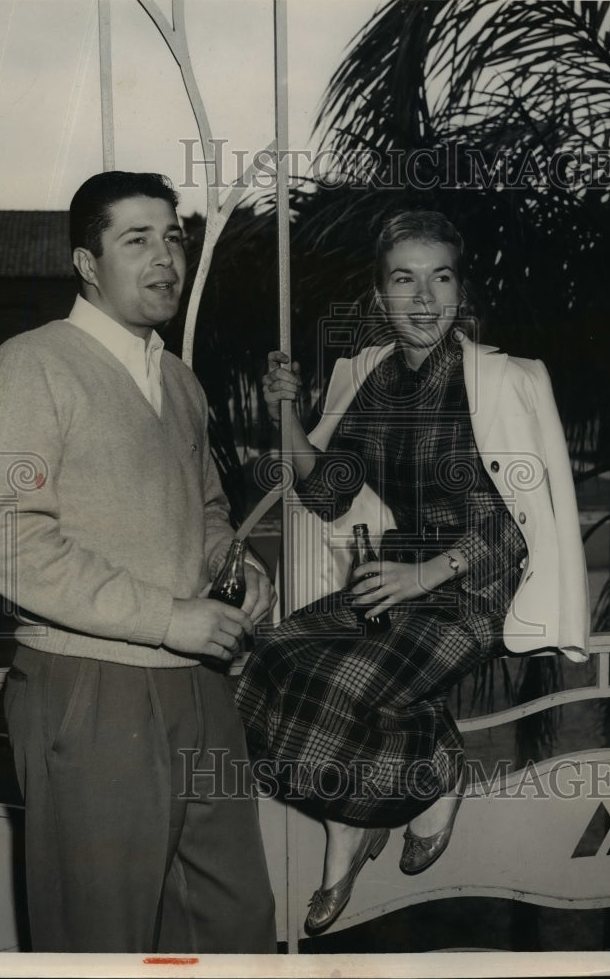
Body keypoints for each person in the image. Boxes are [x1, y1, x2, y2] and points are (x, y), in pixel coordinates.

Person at [235, 209, 589, 935]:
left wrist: (428, 574)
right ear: (378, 296)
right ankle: (401, 792)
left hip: (476, 589)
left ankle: (353, 820)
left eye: (440, 278)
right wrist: (286, 420)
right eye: (404, 279)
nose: (423, 298)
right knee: (270, 654)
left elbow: (520, 519)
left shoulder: (503, 381)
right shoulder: (371, 379)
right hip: (395, 580)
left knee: (344, 685)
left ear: (460, 292)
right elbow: (326, 489)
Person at [0, 171, 277, 953]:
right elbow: (1, 535)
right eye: (137, 239)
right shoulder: (31, 368)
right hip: (89, 688)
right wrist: (169, 618)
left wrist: (235, 562)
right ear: (87, 264)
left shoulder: (177, 379)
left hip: (200, 683)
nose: (166, 256)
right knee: (102, 939)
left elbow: (203, 510)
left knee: (233, 930)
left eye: (173, 236)